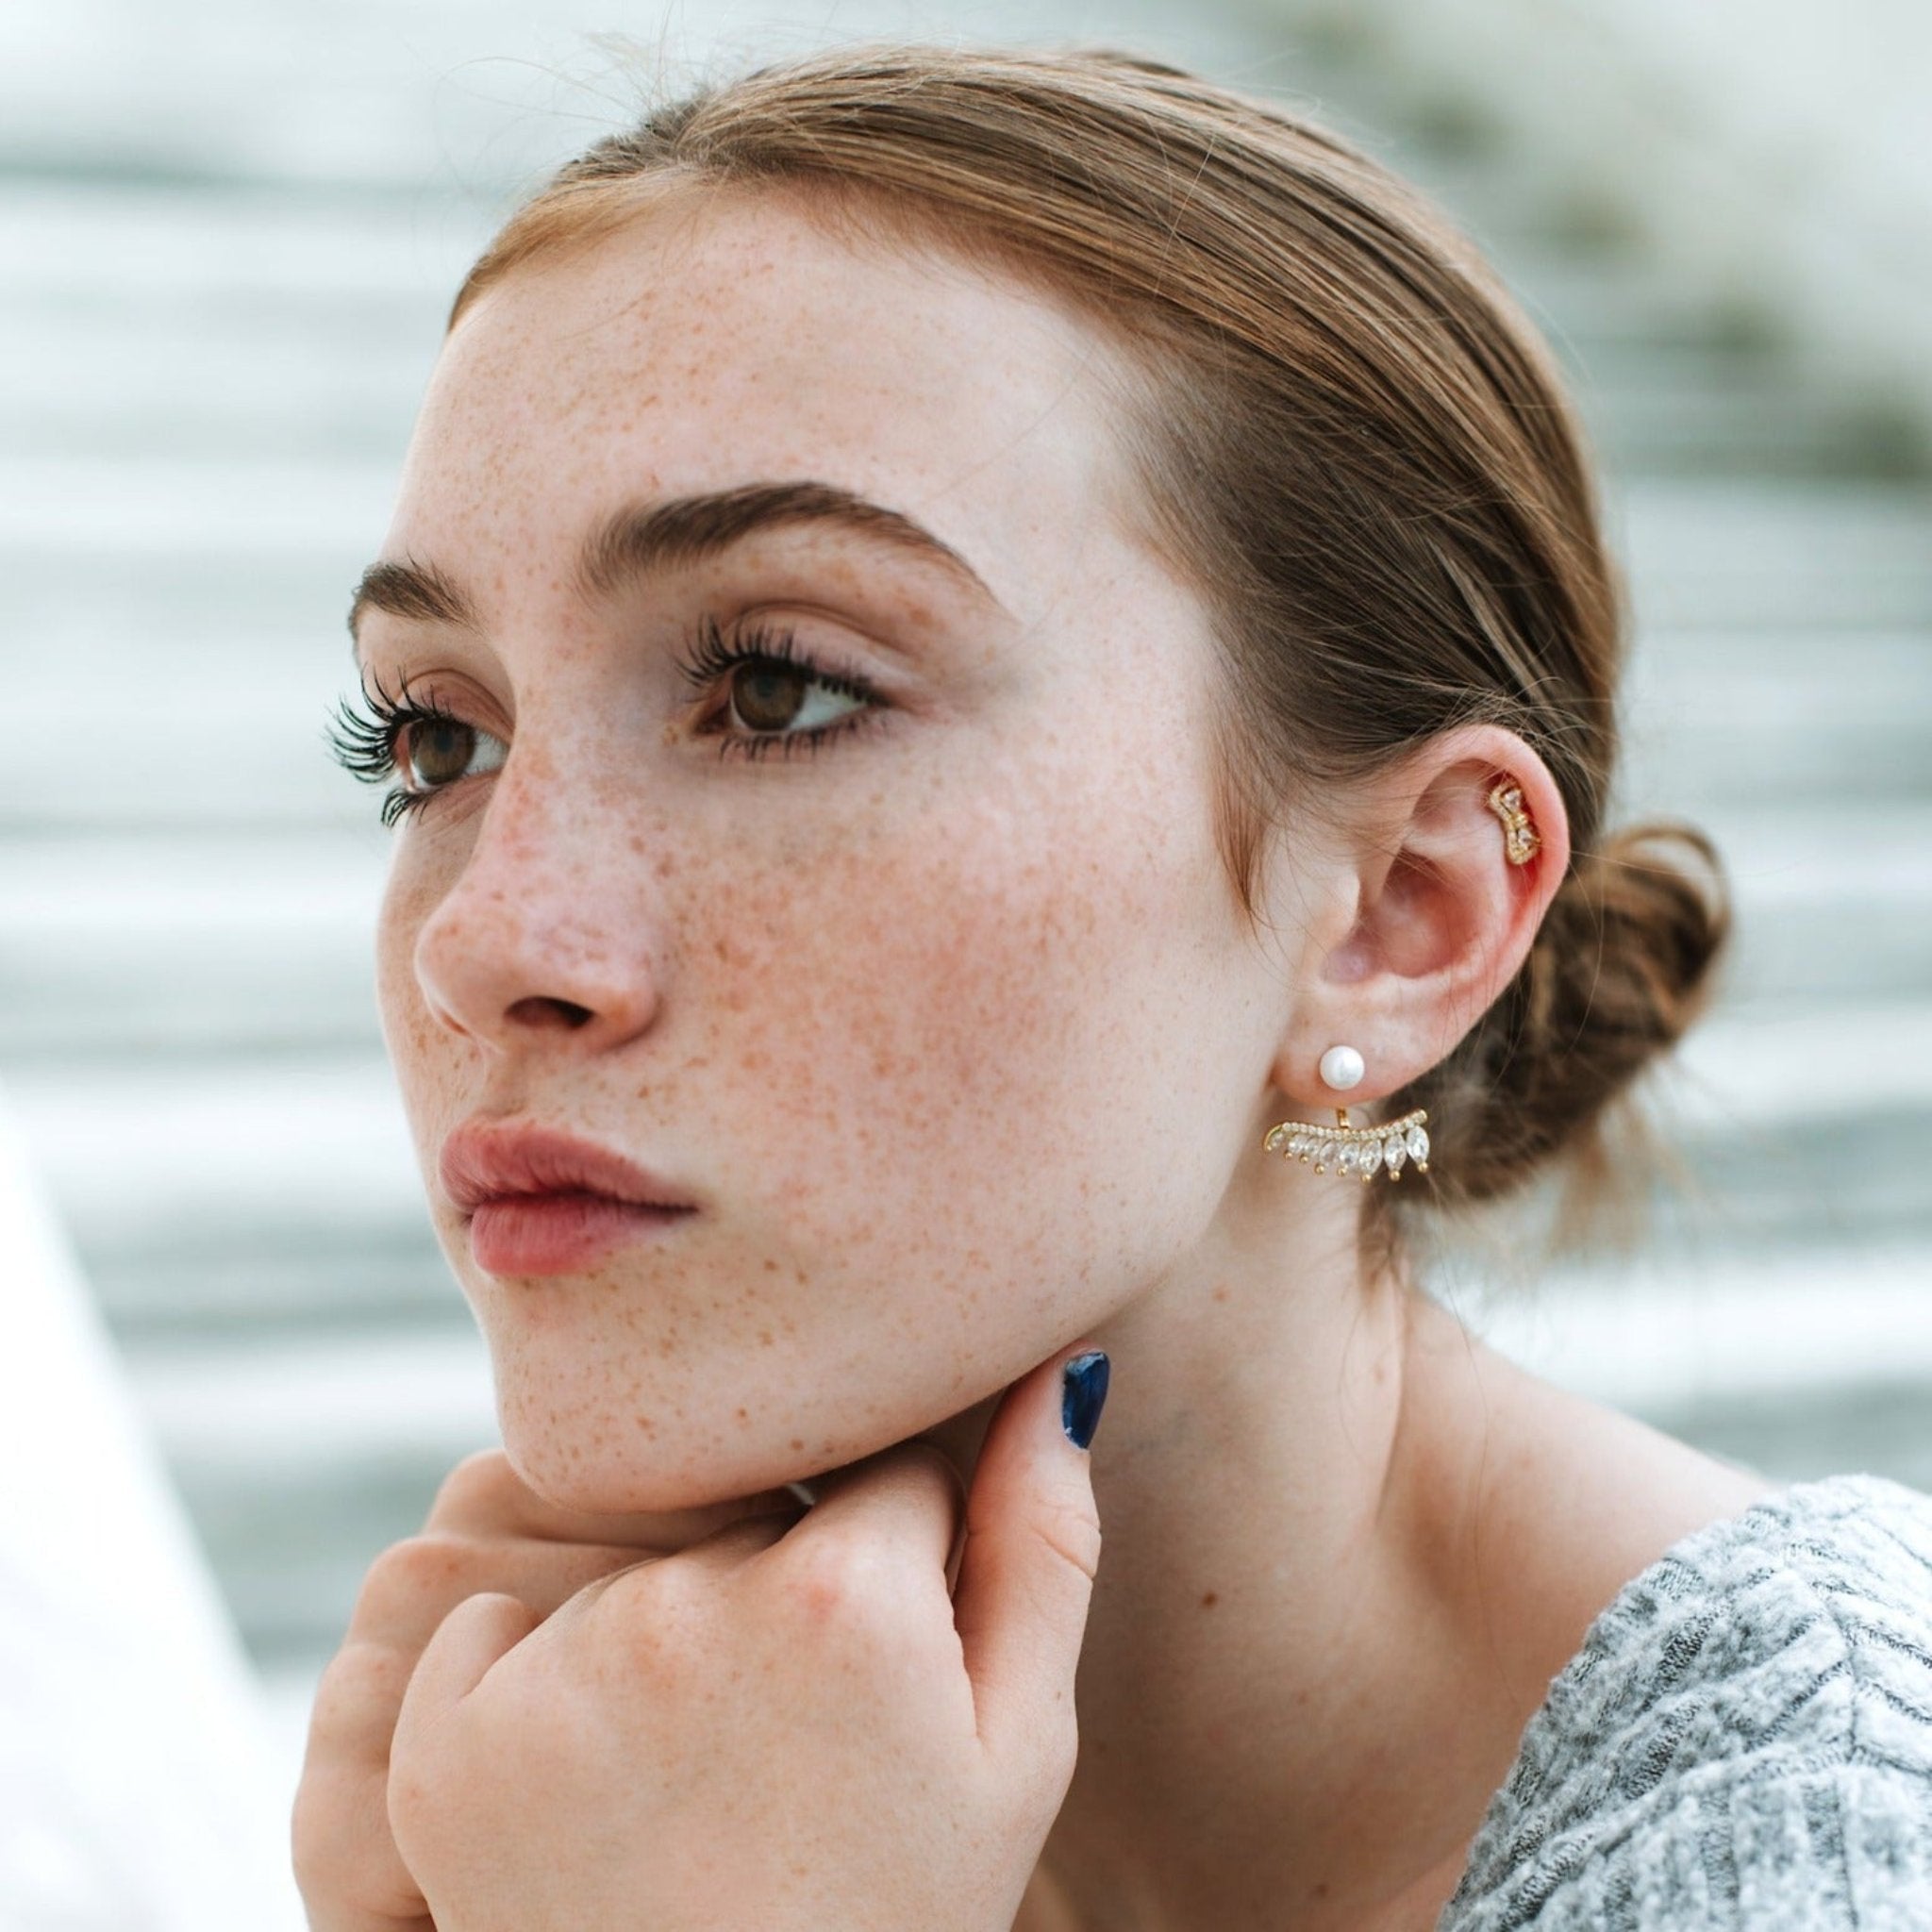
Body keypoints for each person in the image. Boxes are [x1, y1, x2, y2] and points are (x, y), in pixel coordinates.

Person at [291, 43, 1932, 1931]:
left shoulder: (1824, 1851)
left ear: (1400, 911)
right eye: (429, 734)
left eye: (777, 690)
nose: (484, 938)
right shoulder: (657, 1795)